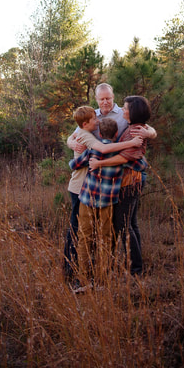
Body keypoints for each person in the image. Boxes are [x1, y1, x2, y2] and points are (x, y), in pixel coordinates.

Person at [63, 105, 142, 279]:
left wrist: (80, 154)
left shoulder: (92, 152)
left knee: (85, 236)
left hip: (87, 200)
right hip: (107, 203)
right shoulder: (119, 156)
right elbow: (140, 165)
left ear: (100, 134)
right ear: (116, 135)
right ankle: (103, 273)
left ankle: (83, 273)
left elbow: (73, 165)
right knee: (106, 237)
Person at [89, 95, 153, 276]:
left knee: (123, 225)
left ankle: (136, 269)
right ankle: (135, 265)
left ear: (133, 112)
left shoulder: (136, 131)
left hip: (130, 182)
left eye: (126, 108)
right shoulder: (135, 127)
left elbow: (125, 157)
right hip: (130, 181)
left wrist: (99, 164)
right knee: (131, 223)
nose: (123, 110)